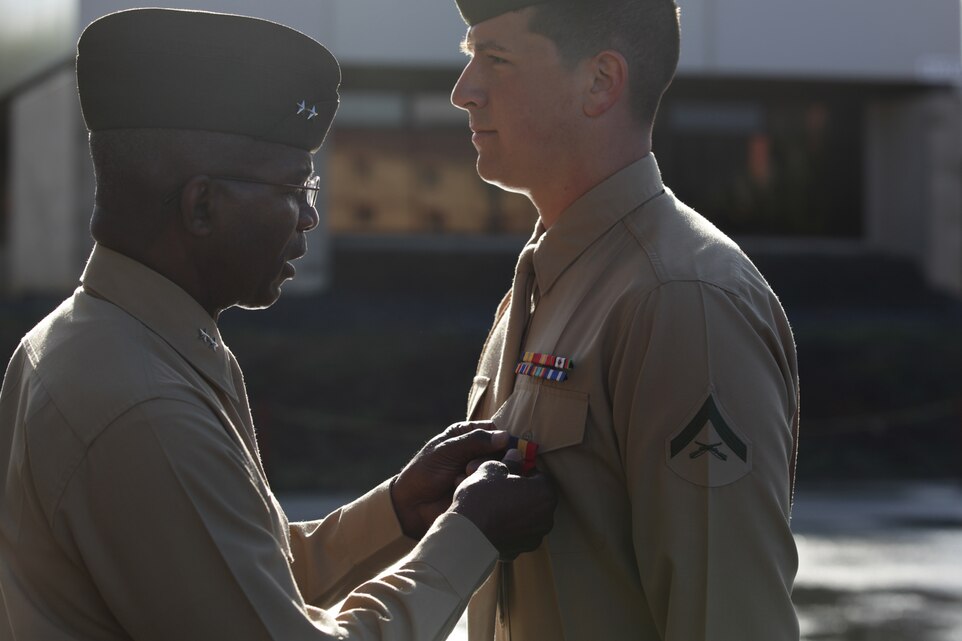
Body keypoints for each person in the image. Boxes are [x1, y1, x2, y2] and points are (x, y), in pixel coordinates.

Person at [0, 8, 557, 641]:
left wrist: (401, 509)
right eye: (296, 186)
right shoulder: (142, 403)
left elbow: (238, 576)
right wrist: (469, 538)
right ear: (202, 205)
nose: (308, 218)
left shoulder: (89, 341)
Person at [450, 1, 800, 639]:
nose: (463, 91)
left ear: (600, 83)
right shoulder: (548, 279)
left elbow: (726, 617)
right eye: (469, 56)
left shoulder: (682, 298)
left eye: (494, 60)